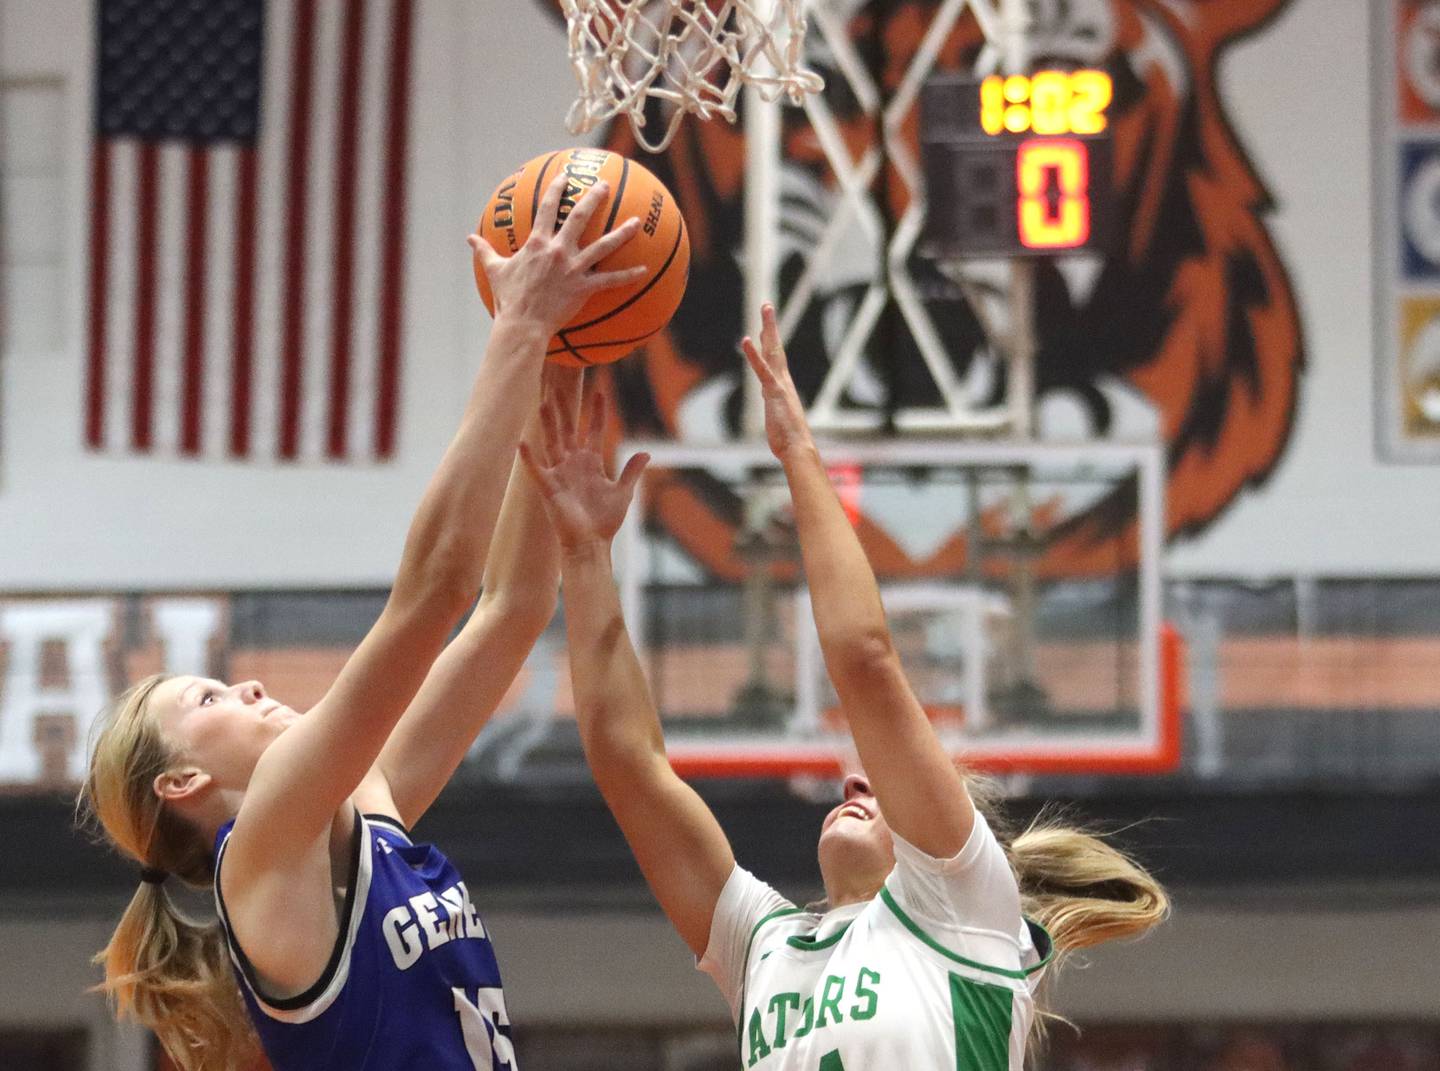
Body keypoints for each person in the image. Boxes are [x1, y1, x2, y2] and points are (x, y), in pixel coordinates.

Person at [78, 174, 646, 1071]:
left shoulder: (364, 803)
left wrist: (562, 362)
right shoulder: (260, 851)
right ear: (182, 781)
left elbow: (507, 613)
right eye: (212, 694)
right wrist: (521, 327)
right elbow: (435, 592)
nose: (251, 685)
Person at [520, 303, 1170, 1070]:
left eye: (881, 776)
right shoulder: (765, 942)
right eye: (860, 774)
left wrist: (796, 449)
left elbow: (864, 657)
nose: (855, 774)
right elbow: (628, 763)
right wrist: (586, 554)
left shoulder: (958, 904)